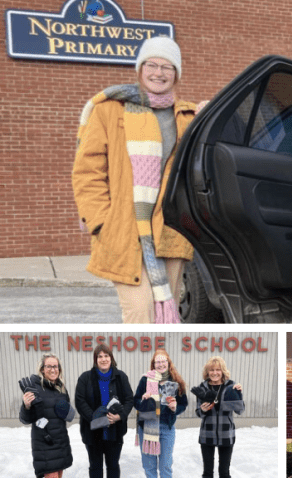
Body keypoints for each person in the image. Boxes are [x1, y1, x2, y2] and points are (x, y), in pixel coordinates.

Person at [72, 36, 197, 324]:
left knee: (168, 309)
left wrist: (208, 112)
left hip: (170, 231)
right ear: (139, 69)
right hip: (124, 229)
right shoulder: (109, 110)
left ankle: (163, 365)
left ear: (177, 74)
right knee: (140, 312)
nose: (159, 73)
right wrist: (100, 220)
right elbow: (87, 171)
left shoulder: (187, 117)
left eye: (168, 67)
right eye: (152, 64)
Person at [75, 344, 135, 478]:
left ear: (111, 358)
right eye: (99, 356)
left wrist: (120, 416)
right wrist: (95, 417)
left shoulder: (121, 377)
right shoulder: (85, 378)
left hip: (114, 432)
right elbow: (80, 401)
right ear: (95, 359)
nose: (103, 359)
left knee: (113, 466)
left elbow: (129, 399)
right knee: (95, 467)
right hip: (93, 432)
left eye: (106, 356)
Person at [134, 349, 188, 478]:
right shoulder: (146, 380)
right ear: (153, 364)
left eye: (163, 361)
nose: (161, 364)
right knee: (149, 467)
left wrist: (175, 407)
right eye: (157, 362)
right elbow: (135, 401)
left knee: (165, 466)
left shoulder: (176, 382)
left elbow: (183, 404)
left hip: (166, 428)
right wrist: (143, 399)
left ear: (168, 363)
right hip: (147, 427)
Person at [19, 353, 75, 478]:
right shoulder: (34, 388)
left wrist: (68, 411)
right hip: (45, 445)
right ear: (42, 369)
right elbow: (25, 419)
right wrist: (26, 405)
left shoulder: (61, 388)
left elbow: (69, 416)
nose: (53, 369)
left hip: (60, 442)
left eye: (55, 366)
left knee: (59, 474)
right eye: (49, 366)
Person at [193, 356, 245, 478]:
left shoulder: (231, 387)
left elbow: (240, 410)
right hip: (207, 433)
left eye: (218, 369)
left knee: (224, 473)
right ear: (207, 372)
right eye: (212, 370)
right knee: (207, 473)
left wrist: (238, 395)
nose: (215, 373)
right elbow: (198, 413)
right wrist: (203, 410)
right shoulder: (202, 388)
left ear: (223, 371)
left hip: (226, 433)